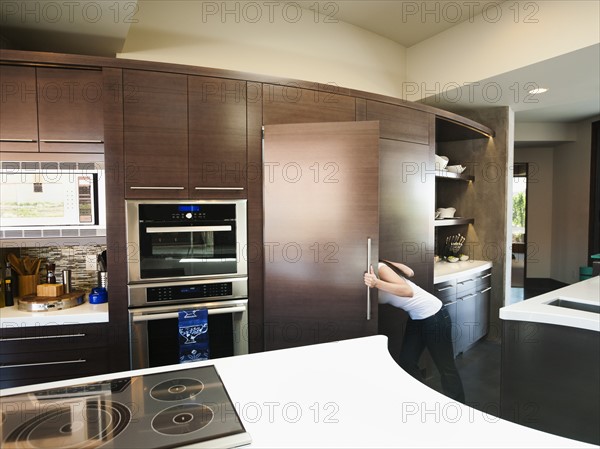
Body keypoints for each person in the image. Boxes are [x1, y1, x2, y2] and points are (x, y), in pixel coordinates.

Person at [364, 259, 465, 403]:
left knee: (446, 368)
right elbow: (409, 272)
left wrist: (377, 283)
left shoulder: (379, 268)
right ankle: (422, 401)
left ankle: (460, 408)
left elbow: (408, 291)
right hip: (417, 318)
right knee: (407, 362)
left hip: (435, 315)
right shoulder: (367, 274)